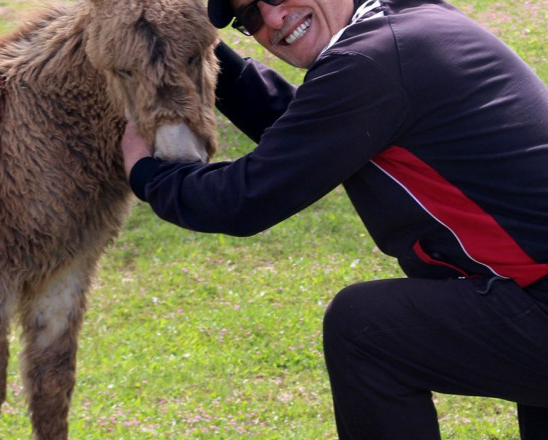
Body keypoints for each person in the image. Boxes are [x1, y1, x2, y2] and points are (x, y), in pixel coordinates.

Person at [120, 0, 548, 438]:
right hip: (529, 294)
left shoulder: (373, 62)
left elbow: (242, 199)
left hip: (536, 301)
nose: (270, 19)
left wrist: (149, 174)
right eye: (249, 16)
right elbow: (306, 132)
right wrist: (198, 49)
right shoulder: (402, 25)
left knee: (364, 330)